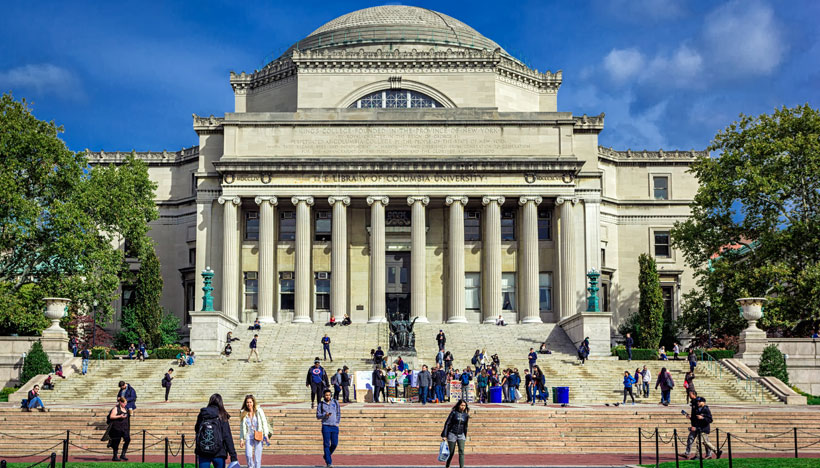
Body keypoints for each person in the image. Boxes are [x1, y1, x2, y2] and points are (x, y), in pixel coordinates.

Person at [195, 393, 237, 468]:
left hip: (203, 450)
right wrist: (233, 455)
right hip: (219, 452)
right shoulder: (222, 414)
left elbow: (197, 429)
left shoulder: (203, 414)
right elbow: (227, 436)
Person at [239, 394, 270, 468]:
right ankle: (251, 466)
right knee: (248, 454)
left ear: (253, 402)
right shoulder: (243, 412)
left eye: (250, 402)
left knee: (257, 458)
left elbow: (264, 422)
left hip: (258, 434)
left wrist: (266, 435)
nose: (249, 404)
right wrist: (241, 439)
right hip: (249, 435)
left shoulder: (259, 411)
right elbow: (241, 427)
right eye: (247, 402)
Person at [441, 400, 470, 468]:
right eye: (462, 405)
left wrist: (465, 435)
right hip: (452, 434)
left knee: (461, 451)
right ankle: (448, 465)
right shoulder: (453, 413)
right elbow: (447, 423)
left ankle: (461, 466)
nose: (463, 407)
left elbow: (465, 426)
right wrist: (445, 435)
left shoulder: (466, 415)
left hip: (461, 434)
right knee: (451, 452)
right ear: (458, 405)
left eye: (464, 405)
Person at [316, 388, 341, 468]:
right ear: (324, 396)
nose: (328, 396)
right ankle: (329, 462)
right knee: (326, 444)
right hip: (326, 426)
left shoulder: (335, 402)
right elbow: (318, 416)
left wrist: (337, 422)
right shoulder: (321, 404)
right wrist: (324, 415)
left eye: (329, 395)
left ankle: (327, 455)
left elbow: (338, 413)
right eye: (326, 395)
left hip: (334, 426)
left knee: (334, 443)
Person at [108, 396, 131, 461]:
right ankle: (115, 456)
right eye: (124, 403)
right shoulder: (116, 408)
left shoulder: (126, 409)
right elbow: (111, 416)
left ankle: (123, 454)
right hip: (117, 428)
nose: (125, 404)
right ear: (120, 402)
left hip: (125, 428)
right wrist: (120, 416)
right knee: (116, 442)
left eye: (126, 403)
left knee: (127, 439)